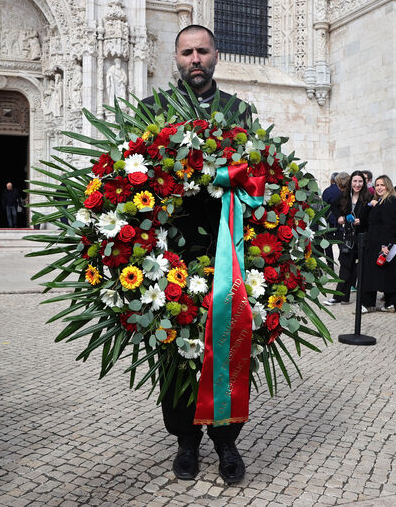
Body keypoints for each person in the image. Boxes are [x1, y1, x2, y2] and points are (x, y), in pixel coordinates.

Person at [140, 24, 249, 485]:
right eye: (187, 52)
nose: (196, 59)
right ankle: (186, 440)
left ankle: (227, 441)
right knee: (177, 348)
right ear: (176, 58)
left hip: (228, 247)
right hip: (171, 252)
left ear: (216, 55)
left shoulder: (240, 112)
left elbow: (259, 175)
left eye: (203, 51)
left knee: (230, 343)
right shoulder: (152, 111)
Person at [325, 171, 372, 305]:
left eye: (360, 181)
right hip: (348, 236)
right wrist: (339, 217)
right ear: (351, 182)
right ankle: (339, 296)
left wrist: (361, 221)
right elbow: (333, 206)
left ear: (364, 183)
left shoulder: (368, 197)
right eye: (355, 181)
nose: (357, 184)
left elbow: (371, 218)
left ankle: (358, 298)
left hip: (362, 237)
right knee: (345, 265)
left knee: (358, 268)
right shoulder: (345, 196)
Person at [359, 175, 396, 313]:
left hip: (383, 243)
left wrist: (385, 245)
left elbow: (389, 225)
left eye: (382, 185)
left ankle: (387, 303)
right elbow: (364, 219)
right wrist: (370, 205)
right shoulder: (380, 201)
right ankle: (373, 303)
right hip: (374, 242)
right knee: (374, 273)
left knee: (385, 274)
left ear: (388, 186)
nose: (379, 187)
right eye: (377, 185)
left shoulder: (391, 201)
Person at [322, 172, 349, 271]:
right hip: (340, 221)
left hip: (329, 221)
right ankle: (343, 263)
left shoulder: (326, 191)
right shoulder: (343, 191)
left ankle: (330, 266)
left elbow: (324, 206)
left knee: (328, 245)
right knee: (341, 244)